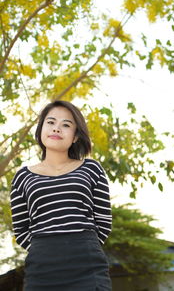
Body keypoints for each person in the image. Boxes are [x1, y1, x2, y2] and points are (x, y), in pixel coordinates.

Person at [10, 100, 112, 291]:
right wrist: (47, 249)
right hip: (42, 269)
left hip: (88, 266)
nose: (57, 129)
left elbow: (104, 223)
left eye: (66, 125)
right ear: (41, 130)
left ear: (75, 136)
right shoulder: (22, 177)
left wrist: (79, 247)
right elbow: (21, 230)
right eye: (51, 122)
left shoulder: (92, 169)